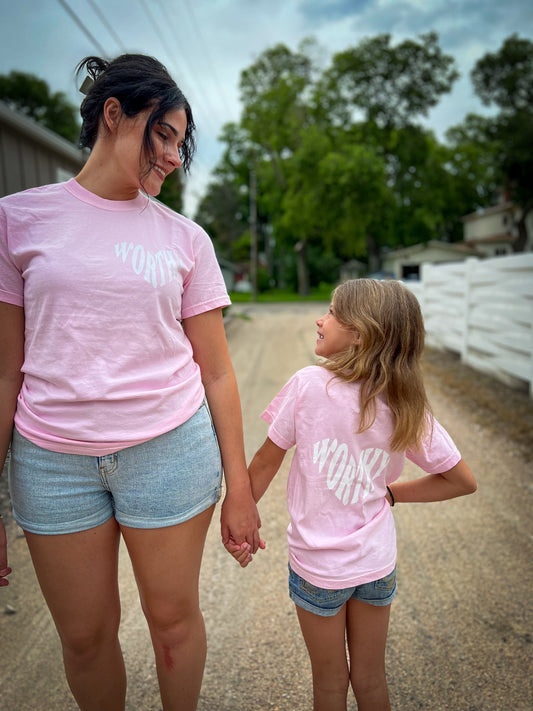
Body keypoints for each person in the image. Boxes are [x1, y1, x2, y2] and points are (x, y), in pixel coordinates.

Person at [0, 53, 261, 711]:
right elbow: (5, 368)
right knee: (85, 638)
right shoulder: (16, 221)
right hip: (52, 463)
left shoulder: (186, 239)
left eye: (180, 142)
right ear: (113, 116)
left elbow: (219, 370)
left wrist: (241, 489)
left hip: (169, 451)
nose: (174, 156)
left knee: (173, 626)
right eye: (163, 134)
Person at [226, 278, 477, 711]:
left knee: (329, 683)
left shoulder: (307, 385)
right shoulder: (403, 402)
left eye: (332, 312)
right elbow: (461, 480)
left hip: (317, 565)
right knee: (371, 679)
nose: (319, 319)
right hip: (375, 563)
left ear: (360, 333)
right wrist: (391, 496)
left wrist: (242, 513)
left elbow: (266, 462)